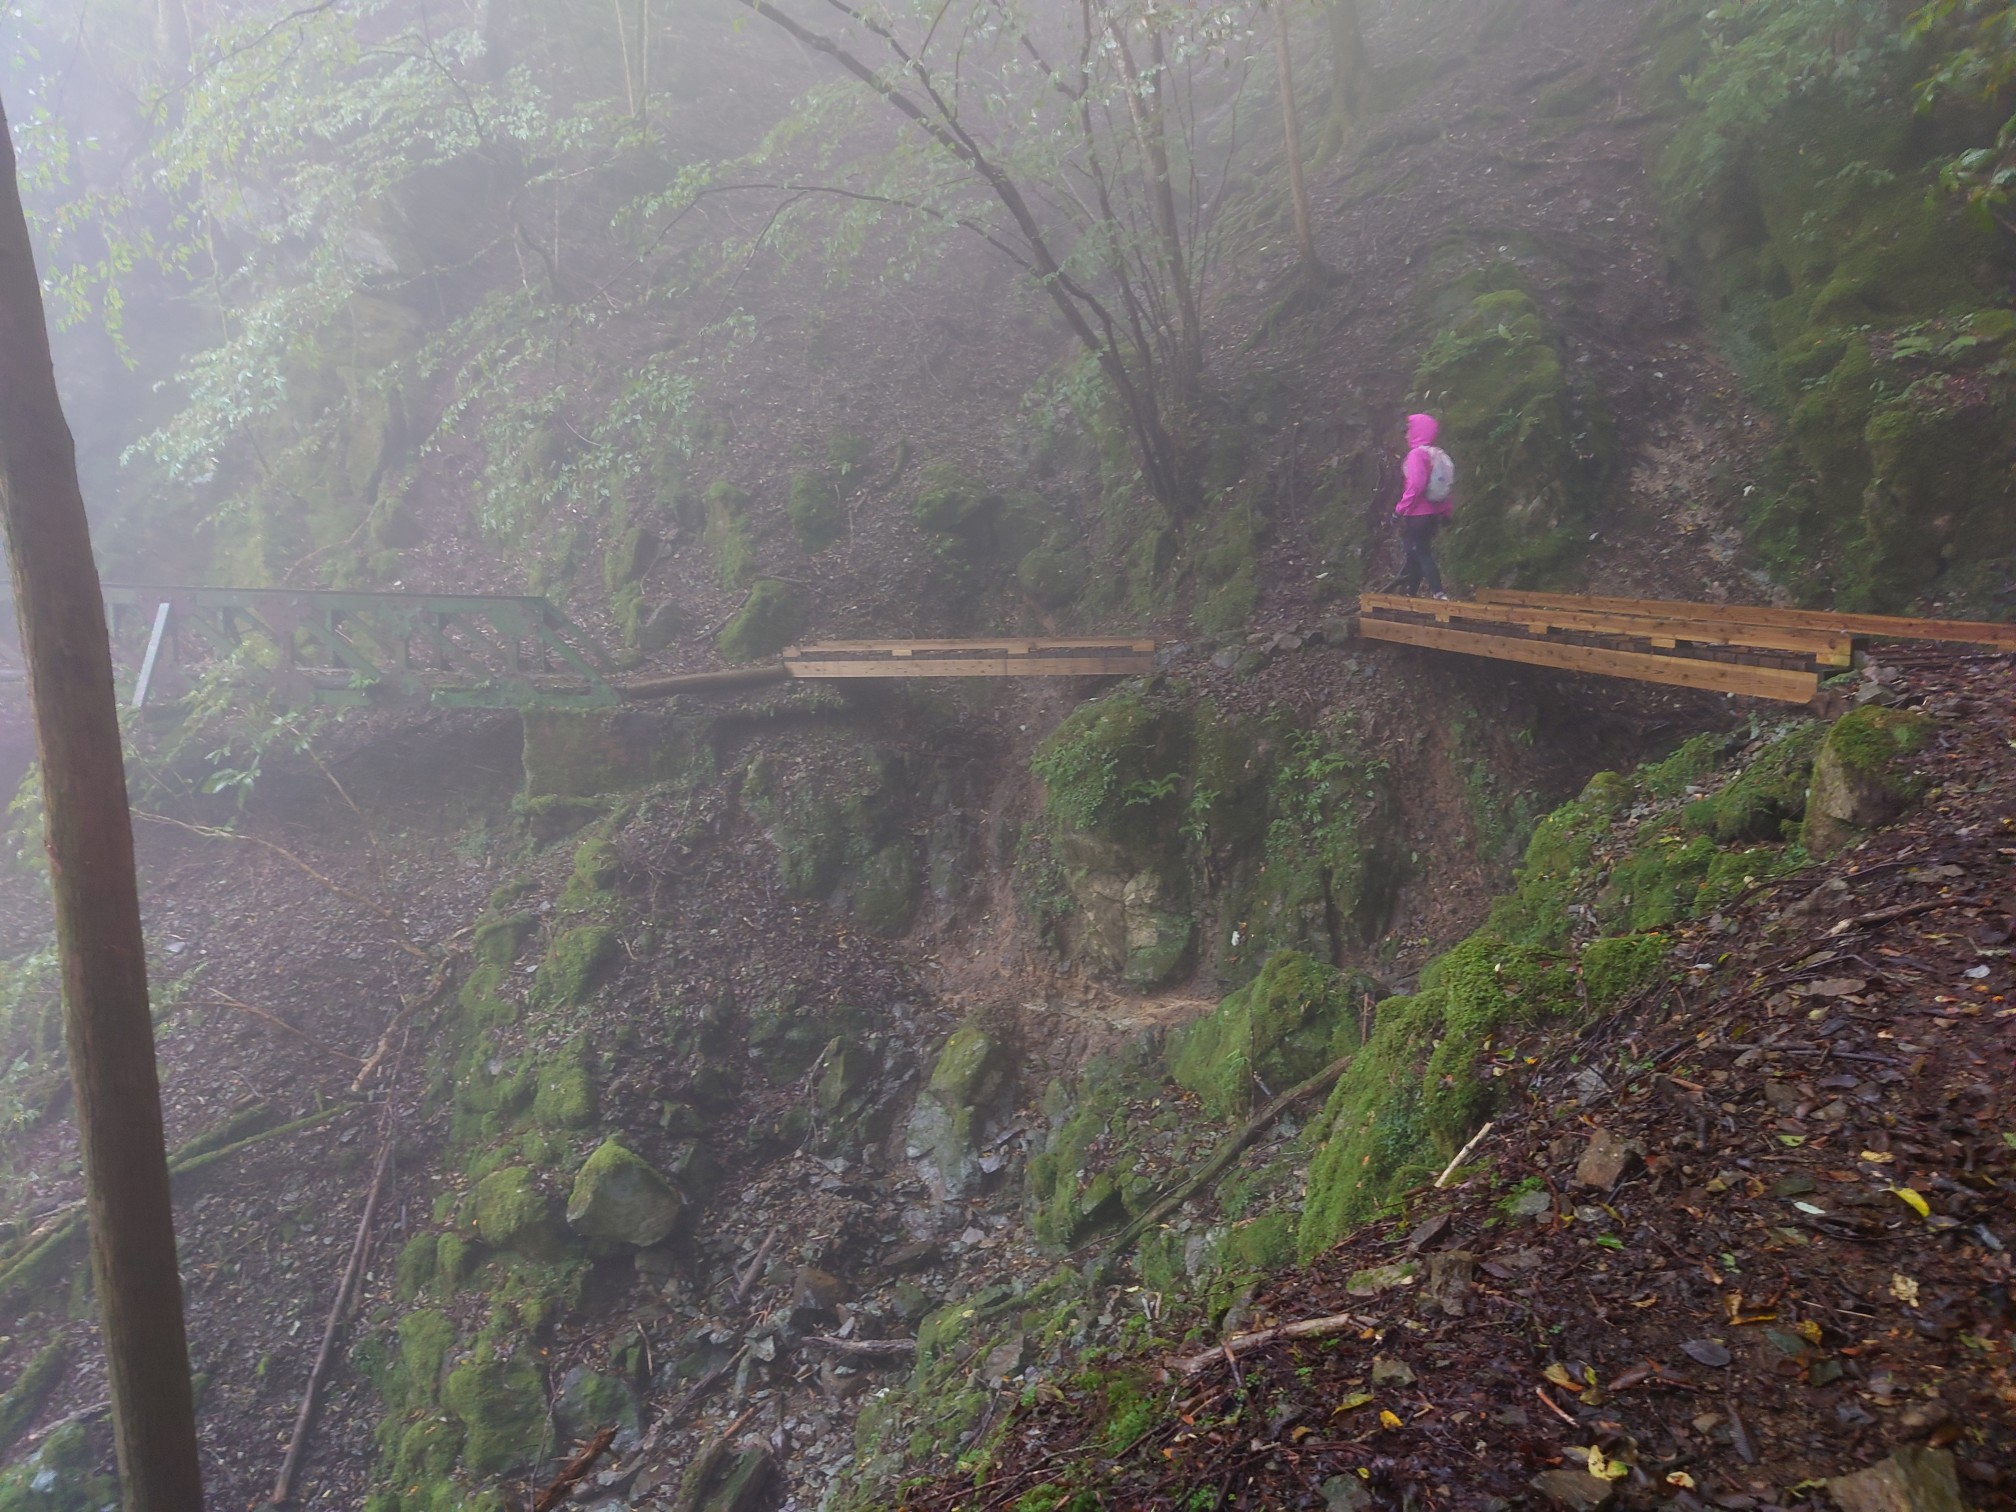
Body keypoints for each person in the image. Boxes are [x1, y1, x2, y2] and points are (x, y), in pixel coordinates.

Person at [1392, 411, 1453, 600]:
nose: (1406, 435)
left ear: (1417, 431)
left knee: (1421, 551)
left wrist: (1399, 510)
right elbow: (1442, 485)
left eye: (1408, 430)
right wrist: (1445, 512)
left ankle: (1438, 593)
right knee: (1413, 552)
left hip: (1417, 515)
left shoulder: (1416, 455)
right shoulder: (1436, 454)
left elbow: (1417, 485)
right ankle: (1411, 593)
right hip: (1432, 514)